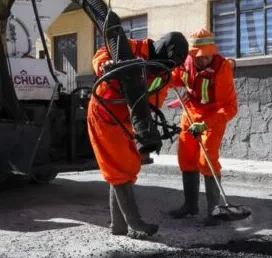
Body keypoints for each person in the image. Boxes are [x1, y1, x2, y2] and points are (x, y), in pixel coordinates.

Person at [89, 30, 188, 239]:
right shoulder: (131, 47)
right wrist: (104, 65)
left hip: (127, 122)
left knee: (126, 168)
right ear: (162, 50)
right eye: (170, 62)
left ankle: (118, 225)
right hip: (105, 114)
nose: (169, 68)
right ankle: (134, 224)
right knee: (120, 168)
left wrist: (146, 135)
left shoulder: (161, 72)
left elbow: (152, 103)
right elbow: (101, 54)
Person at [169, 28, 238, 225]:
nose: (203, 60)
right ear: (191, 54)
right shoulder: (185, 64)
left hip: (213, 117)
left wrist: (206, 124)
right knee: (187, 158)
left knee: (206, 158)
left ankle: (214, 209)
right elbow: (172, 78)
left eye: (207, 56)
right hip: (190, 114)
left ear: (213, 53)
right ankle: (190, 206)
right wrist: (163, 78)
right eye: (199, 56)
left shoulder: (222, 69)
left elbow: (230, 107)